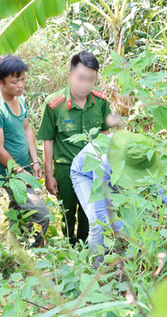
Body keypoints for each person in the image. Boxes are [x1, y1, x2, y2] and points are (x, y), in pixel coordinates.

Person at [37, 51, 111, 245]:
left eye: (91, 79)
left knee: (91, 212)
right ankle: (70, 247)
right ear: (70, 76)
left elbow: (106, 134)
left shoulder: (101, 102)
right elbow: (48, 140)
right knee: (67, 213)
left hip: (92, 167)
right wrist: (49, 175)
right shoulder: (54, 105)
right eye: (81, 78)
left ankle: (86, 246)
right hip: (65, 169)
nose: (85, 84)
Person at [0, 55, 50, 247]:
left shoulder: (21, 100)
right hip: (10, 172)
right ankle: (32, 252)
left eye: (23, 79)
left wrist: (35, 161)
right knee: (41, 214)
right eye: (15, 81)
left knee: (18, 210)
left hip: (25, 166)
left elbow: (27, 129)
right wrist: (20, 172)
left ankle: (15, 250)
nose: (21, 85)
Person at [70, 130, 166, 265]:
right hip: (87, 175)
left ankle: (122, 258)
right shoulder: (103, 162)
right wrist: (129, 232)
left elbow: (153, 180)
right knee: (98, 223)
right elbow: (100, 211)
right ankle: (96, 268)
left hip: (113, 174)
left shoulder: (141, 152)